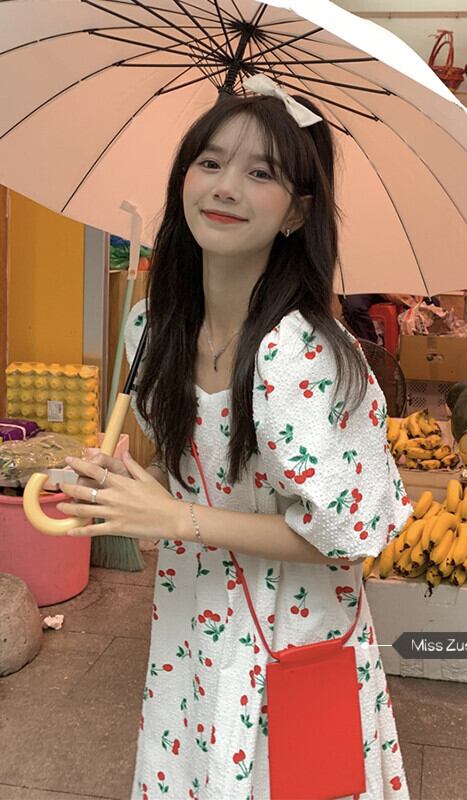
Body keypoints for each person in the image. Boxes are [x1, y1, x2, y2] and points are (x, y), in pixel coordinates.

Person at [58, 80, 412, 799]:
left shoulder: (301, 356)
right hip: (191, 625)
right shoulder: (152, 328)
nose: (225, 187)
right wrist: (126, 488)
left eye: (260, 173)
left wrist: (175, 518)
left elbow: (345, 535)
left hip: (294, 638)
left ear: (297, 212)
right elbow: (192, 474)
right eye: (211, 162)